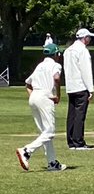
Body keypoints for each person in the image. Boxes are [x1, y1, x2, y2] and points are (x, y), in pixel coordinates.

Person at [15, 44, 68, 172]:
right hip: (45, 97)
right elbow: (56, 78)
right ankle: (26, 151)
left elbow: (28, 84)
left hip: (34, 96)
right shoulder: (56, 65)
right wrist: (57, 95)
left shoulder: (39, 66)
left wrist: (33, 95)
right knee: (49, 132)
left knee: (44, 132)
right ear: (56, 54)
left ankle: (52, 163)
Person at [63, 28, 94, 150]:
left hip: (71, 86)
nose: (90, 39)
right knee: (80, 115)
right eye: (89, 37)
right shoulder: (82, 51)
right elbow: (86, 71)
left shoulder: (68, 50)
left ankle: (71, 141)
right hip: (81, 86)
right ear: (84, 38)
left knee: (71, 114)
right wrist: (91, 89)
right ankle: (78, 141)